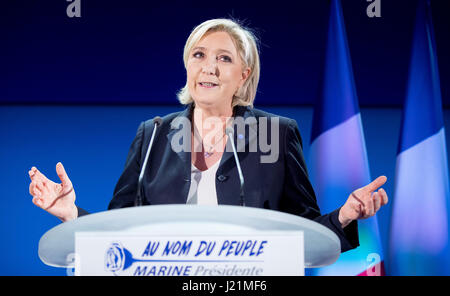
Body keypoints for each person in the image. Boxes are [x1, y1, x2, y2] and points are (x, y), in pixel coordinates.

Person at [28, 19, 388, 253]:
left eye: (224, 59)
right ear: (188, 66)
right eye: (199, 55)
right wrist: (69, 213)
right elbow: (116, 232)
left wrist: (345, 215)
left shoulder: (276, 135)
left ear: (243, 76)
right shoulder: (152, 135)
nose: (209, 67)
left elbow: (306, 233)